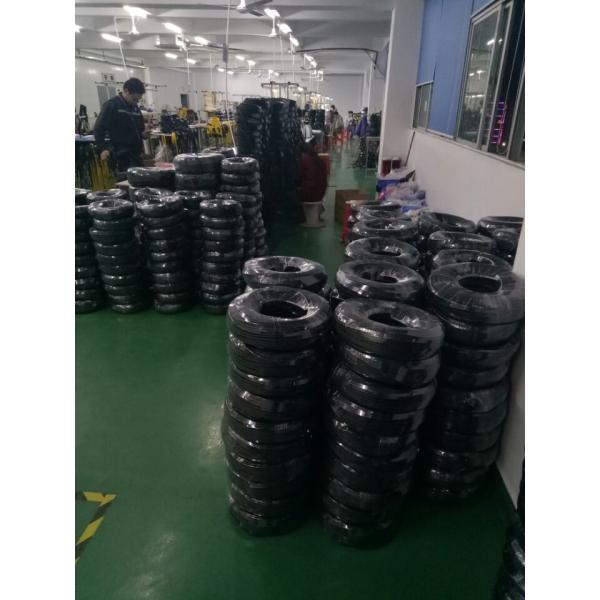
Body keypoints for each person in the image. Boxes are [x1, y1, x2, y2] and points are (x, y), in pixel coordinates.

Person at [94, 77, 146, 173]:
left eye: (138, 100)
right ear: (126, 91)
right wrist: (103, 148)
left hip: (136, 154)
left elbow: (140, 129)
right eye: (134, 99)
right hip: (121, 156)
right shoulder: (112, 105)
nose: (136, 102)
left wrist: (144, 134)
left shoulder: (135, 107)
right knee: (126, 180)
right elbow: (98, 128)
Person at [298, 137, 328, 214]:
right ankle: (318, 209)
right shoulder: (318, 159)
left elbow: (298, 178)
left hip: (310, 196)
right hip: (321, 194)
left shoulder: (303, 160)